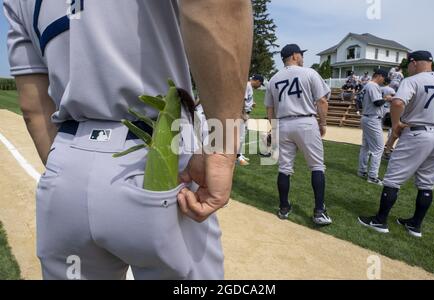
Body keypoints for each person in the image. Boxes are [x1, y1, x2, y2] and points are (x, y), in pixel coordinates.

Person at [4, 0, 252, 279]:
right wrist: (221, 147)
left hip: (67, 163)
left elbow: (33, 108)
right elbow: (217, 6)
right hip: (158, 156)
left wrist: (73, 170)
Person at [358, 51, 434, 238]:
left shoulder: (412, 80)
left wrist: (396, 124)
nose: (408, 67)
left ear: (414, 63)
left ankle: (380, 221)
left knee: (393, 179)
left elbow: (398, 102)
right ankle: (415, 225)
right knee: (427, 184)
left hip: (416, 132)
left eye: (409, 64)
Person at [264, 44, 332, 225]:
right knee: (317, 166)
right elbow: (322, 100)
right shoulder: (308, 73)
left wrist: (273, 129)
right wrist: (323, 122)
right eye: (300, 54)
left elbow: (269, 108)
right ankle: (319, 211)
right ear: (294, 55)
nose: (302, 57)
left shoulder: (273, 78)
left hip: (283, 123)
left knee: (284, 168)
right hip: (305, 121)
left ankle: (284, 208)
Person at [357, 69, 391, 186]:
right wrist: (386, 98)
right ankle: (372, 176)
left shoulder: (367, 85)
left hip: (367, 116)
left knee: (365, 146)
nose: (384, 80)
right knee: (378, 148)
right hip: (372, 119)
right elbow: (377, 102)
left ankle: (362, 171)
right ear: (380, 76)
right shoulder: (372, 85)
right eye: (384, 77)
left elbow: (359, 101)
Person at [237, 74, 265, 166]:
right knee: (240, 136)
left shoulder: (249, 87)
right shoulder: (247, 86)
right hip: (242, 115)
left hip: (245, 113)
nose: (260, 86)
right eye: (260, 84)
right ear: (257, 81)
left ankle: (240, 154)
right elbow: (241, 100)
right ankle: (237, 156)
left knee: (243, 135)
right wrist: (244, 114)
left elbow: (246, 99)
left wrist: (251, 103)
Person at [380, 83, 396, 160]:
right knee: (391, 128)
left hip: (381, 108)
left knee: (379, 127)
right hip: (388, 110)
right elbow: (394, 99)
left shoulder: (379, 88)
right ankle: (388, 147)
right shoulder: (391, 89)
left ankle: (377, 145)